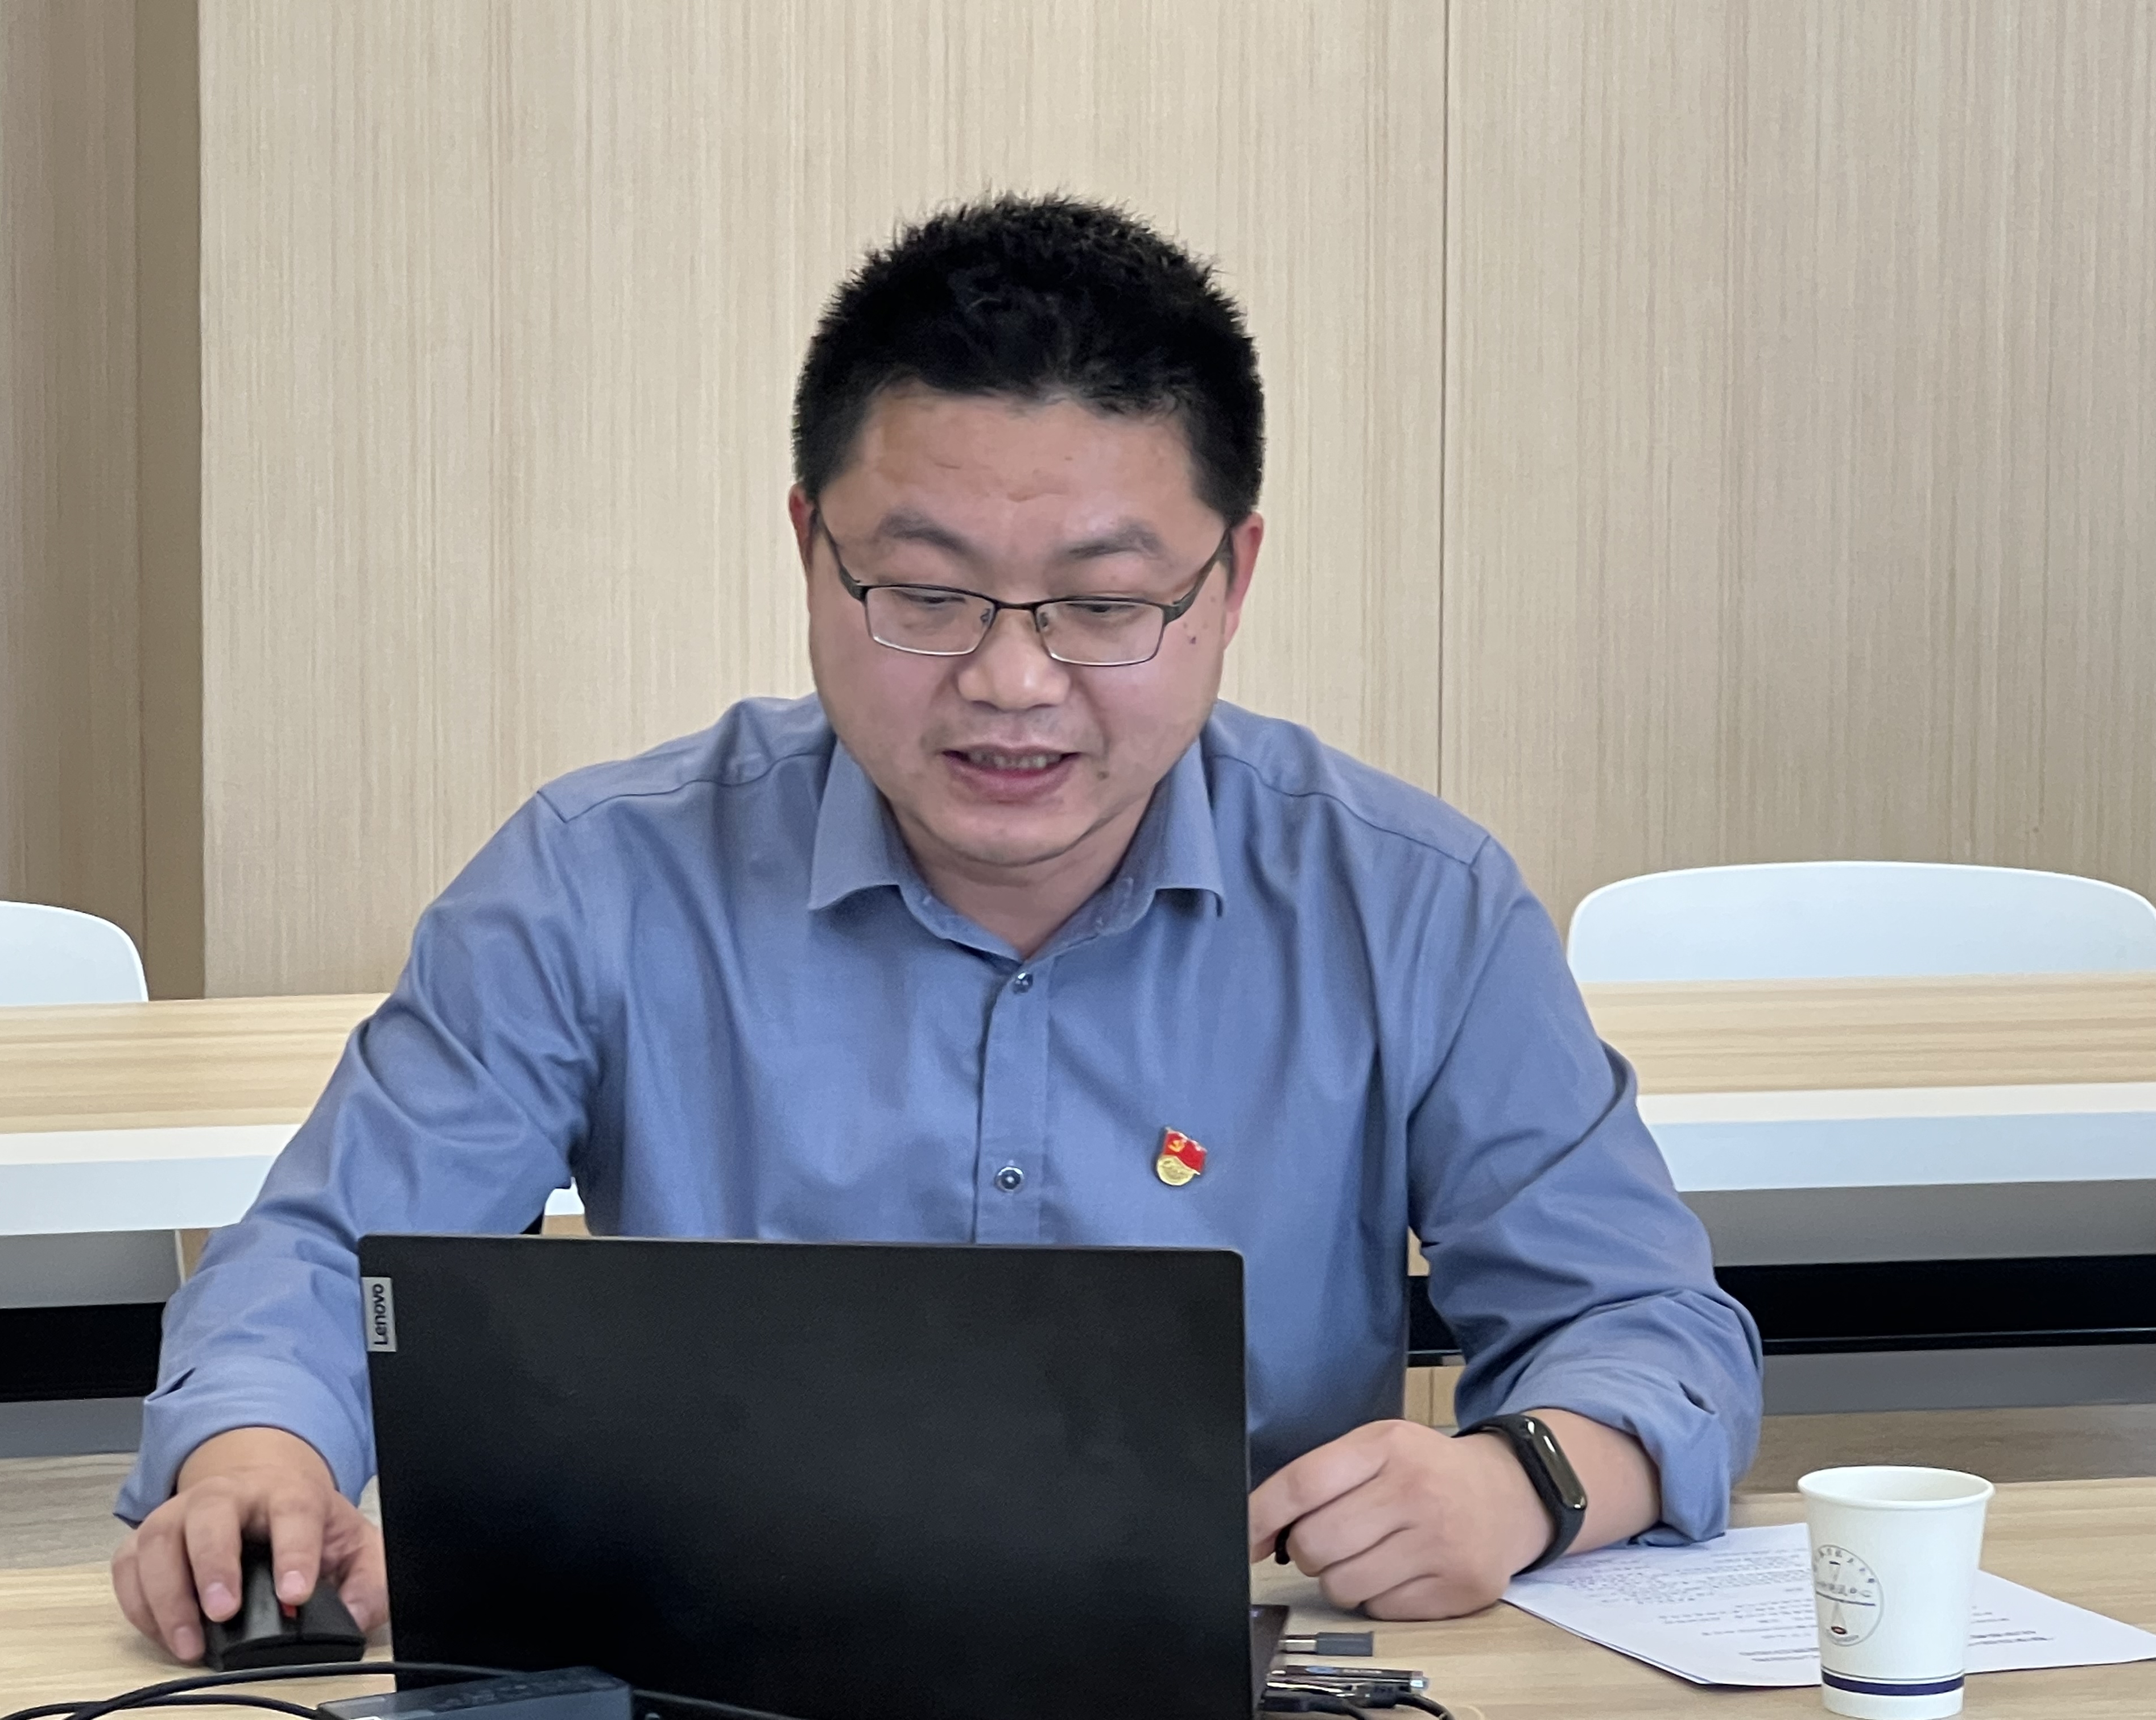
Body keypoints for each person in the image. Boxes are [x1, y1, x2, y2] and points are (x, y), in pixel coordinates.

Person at [111, 193, 1761, 1661]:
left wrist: (1525, 1482)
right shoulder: (600, 878)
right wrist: (261, 1456)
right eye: (925, 594)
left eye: (1104, 605)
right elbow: (326, 1255)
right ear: (810, 552)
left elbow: (1644, 1324)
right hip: (718, 1667)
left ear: (1232, 582)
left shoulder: (1409, 903)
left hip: (1235, 1670)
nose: (1012, 681)